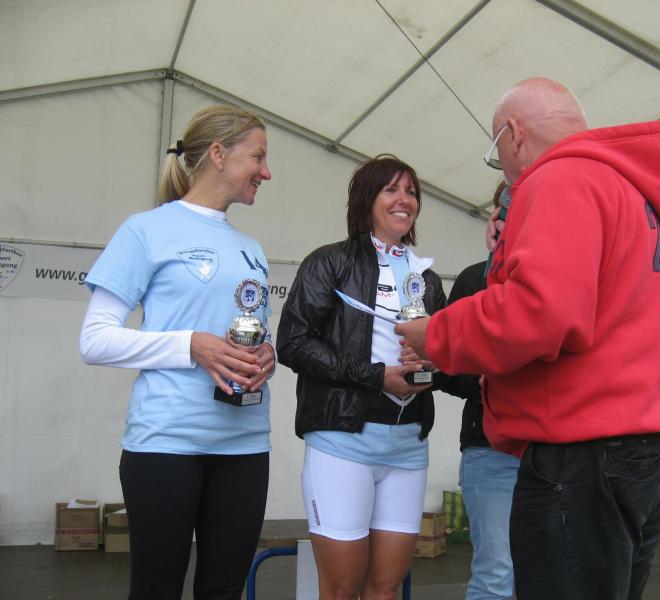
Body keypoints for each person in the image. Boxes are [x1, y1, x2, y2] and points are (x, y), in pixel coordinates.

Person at [396, 78, 660, 600]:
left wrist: (435, 334)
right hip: (653, 444)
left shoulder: (560, 177)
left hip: (586, 450)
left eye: (497, 155)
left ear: (513, 135)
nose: (506, 174)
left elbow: (539, 312)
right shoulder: (634, 191)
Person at [80, 105, 276, 599]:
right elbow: (95, 339)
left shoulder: (252, 249)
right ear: (219, 154)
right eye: (258, 157)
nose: (266, 172)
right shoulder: (145, 230)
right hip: (165, 445)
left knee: (225, 589)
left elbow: (249, 333)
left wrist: (266, 356)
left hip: (246, 445)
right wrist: (190, 345)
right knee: (156, 590)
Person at [276, 154, 446, 600]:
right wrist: (375, 377)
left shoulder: (427, 278)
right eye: (391, 189)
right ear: (366, 199)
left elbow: (446, 353)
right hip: (343, 443)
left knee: (385, 589)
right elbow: (293, 342)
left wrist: (437, 364)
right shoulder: (329, 262)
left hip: (408, 448)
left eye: (411, 192)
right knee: (341, 589)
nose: (404, 200)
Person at [439, 182, 518, 600]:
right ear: (496, 217)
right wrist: (482, 381)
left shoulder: (562, 276)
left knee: (551, 574)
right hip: (491, 452)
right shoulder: (474, 279)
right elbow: (443, 366)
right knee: (496, 573)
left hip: (556, 454)